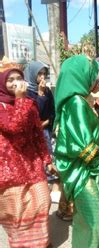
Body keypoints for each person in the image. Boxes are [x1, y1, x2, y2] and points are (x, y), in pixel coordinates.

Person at [53, 55, 99, 248]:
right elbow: (84, 147)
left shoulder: (77, 100)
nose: (97, 78)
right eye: (92, 73)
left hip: (86, 169)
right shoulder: (76, 103)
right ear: (81, 75)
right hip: (83, 171)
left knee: (88, 217)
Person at [0, 66, 53, 248]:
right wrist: (21, 99)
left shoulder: (30, 104)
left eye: (18, 78)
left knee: (42, 200)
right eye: (10, 80)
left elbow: (37, 133)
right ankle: (17, 244)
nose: (15, 83)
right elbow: (13, 127)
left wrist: (46, 158)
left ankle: (38, 240)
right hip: (8, 165)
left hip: (32, 161)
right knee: (15, 209)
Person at [24, 61, 59, 199]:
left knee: (48, 156)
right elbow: (34, 112)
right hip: (32, 132)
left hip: (45, 129)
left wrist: (48, 122)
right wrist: (40, 95)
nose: (42, 77)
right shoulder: (27, 92)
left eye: (44, 74)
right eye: (39, 74)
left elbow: (51, 109)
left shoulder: (47, 91)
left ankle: (50, 185)